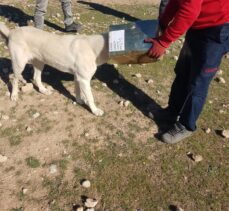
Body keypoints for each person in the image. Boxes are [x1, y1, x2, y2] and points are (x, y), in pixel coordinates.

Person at [145, 0, 229, 144]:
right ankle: (172, 111)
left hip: (217, 28)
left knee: (198, 81)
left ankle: (186, 125)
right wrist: (163, 23)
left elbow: (190, 10)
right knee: (183, 71)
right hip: (197, 26)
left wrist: (164, 42)